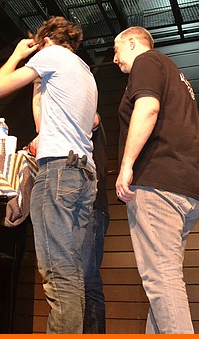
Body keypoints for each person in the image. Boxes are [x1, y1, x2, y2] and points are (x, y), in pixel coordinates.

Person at [0, 15, 98, 334]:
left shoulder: (50, 55)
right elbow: (45, 125)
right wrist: (39, 86)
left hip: (58, 170)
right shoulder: (84, 71)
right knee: (70, 270)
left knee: (57, 271)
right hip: (83, 173)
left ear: (46, 40)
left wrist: (18, 54)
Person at [112, 26, 199, 334]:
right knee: (163, 284)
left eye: (116, 50)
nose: (114, 59)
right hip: (187, 188)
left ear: (132, 42)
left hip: (158, 183)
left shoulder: (147, 61)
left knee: (161, 280)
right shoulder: (175, 74)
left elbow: (148, 108)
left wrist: (126, 165)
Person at [82, 113, 109, 334]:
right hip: (75, 210)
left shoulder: (93, 122)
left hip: (92, 208)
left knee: (88, 280)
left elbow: (93, 118)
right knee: (74, 282)